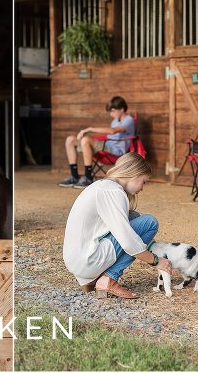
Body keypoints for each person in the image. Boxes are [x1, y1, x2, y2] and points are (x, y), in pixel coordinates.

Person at [62, 152, 173, 299]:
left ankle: (93, 280)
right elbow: (128, 241)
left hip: (77, 259)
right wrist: (156, 260)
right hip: (87, 259)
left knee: (133, 217)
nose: (143, 187)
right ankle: (108, 278)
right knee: (149, 223)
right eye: (144, 181)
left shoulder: (101, 186)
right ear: (134, 174)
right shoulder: (113, 192)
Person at [58, 96, 135, 188]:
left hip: (115, 151)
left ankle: (88, 178)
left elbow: (112, 131)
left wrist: (89, 129)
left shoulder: (129, 120)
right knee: (70, 140)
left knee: (86, 140)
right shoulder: (115, 121)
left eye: (113, 111)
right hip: (106, 145)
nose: (111, 114)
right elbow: (110, 133)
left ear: (122, 109)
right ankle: (74, 176)